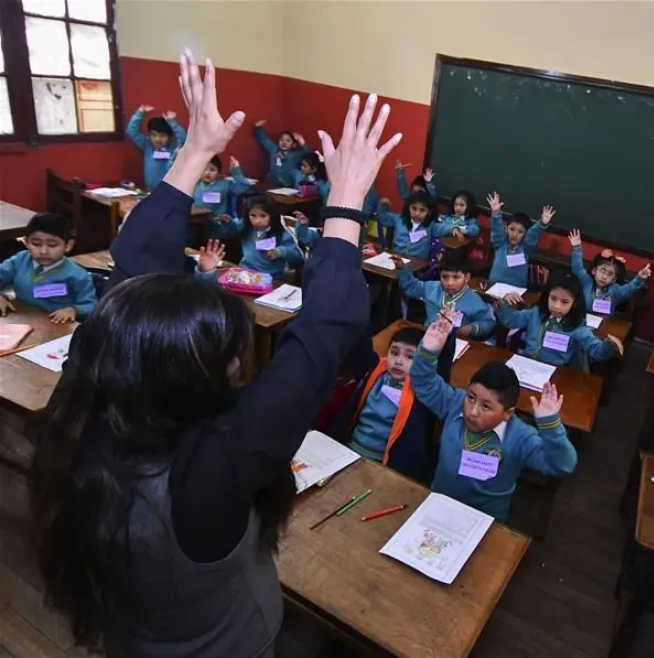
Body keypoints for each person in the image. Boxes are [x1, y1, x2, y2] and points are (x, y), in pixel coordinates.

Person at [28, 50, 401, 657]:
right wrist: (349, 198)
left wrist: (193, 152)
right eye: (233, 357)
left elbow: (132, 277)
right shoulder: (209, 471)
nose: (242, 368)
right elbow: (327, 326)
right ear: (196, 377)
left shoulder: (84, 405)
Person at [410, 313, 577, 520]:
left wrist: (551, 426)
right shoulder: (455, 403)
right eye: (471, 397)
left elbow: (563, 465)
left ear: (507, 414)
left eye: (486, 407)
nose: (472, 411)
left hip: (484, 519)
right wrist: (428, 350)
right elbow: (424, 383)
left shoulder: (521, 437)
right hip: (438, 502)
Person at [324, 325, 455, 482]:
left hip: (384, 464)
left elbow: (441, 370)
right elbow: (360, 345)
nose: (398, 361)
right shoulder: (376, 372)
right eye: (394, 353)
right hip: (351, 449)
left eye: (409, 357)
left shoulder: (422, 390)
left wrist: (447, 335)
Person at [497, 271, 624, 367]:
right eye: (553, 299)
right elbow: (511, 321)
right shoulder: (536, 313)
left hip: (555, 371)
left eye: (565, 302)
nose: (557, 306)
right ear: (546, 296)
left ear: (574, 303)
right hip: (526, 364)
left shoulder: (577, 327)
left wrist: (608, 345)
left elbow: (597, 351)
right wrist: (506, 304)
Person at [0, 213, 97, 323]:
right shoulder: (20, 259)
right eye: (36, 244)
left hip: (56, 325)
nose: (43, 251)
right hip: (21, 317)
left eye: (52, 245)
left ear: (68, 245)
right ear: (26, 242)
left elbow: (91, 305)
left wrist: (73, 310)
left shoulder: (78, 275)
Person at [394, 250, 495, 340]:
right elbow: (412, 286)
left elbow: (488, 322)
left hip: (456, 340)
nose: (449, 283)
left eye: (456, 277)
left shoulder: (474, 300)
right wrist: (402, 269)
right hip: (429, 335)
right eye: (445, 277)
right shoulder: (431, 288)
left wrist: (472, 328)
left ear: (467, 277)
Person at [568, 229, 650, 316]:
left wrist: (640, 278)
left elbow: (629, 289)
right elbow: (577, 268)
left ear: (614, 279)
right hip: (580, 318)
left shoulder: (615, 290)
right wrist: (576, 247)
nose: (604, 277)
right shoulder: (587, 281)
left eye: (610, 274)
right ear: (594, 271)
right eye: (602, 270)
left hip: (602, 325)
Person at [487, 192, 553, 289]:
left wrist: (542, 224)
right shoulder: (500, 244)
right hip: (494, 287)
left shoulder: (525, 248)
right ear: (506, 228)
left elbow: (533, 235)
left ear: (525, 234)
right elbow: (497, 230)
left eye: (520, 232)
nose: (514, 234)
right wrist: (496, 213)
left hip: (516, 291)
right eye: (512, 229)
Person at [126, 105, 187, 191]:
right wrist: (139, 113)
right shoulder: (147, 145)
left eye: (162, 136)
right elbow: (132, 131)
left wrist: (172, 122)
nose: (157, 139)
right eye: (153, 135)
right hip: (150, 190)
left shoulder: (173, 147)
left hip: (169, 191)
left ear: (169, 137)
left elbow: (183, 139)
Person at [252, 122, 311, 186]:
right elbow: (264, 140)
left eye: (288, 141)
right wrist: (257, 128)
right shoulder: (274, 149)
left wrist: (301, 141)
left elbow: (308, 154)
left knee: (297, 173)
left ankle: (300, 190)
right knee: (272, 175)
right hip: (275, 178)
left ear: (293, 145)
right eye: (281, 140)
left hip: (289, 180)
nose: (284, 142)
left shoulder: (296, 154)